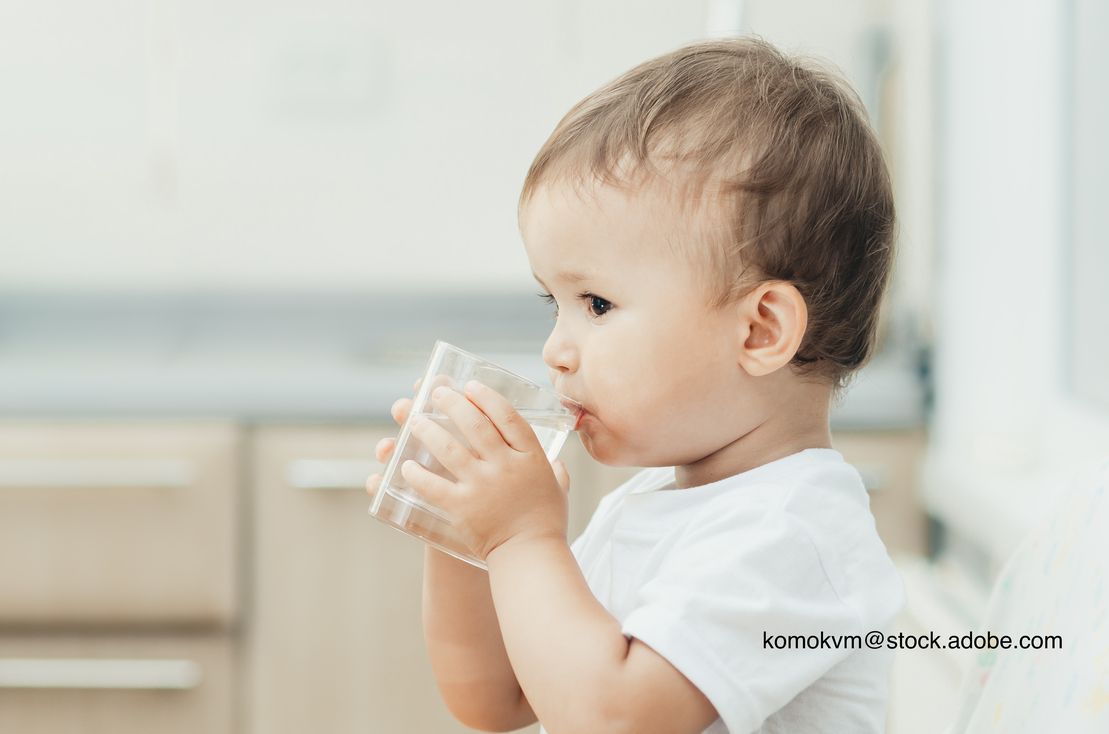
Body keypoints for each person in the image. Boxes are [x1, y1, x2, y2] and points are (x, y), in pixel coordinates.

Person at [367, 36, 904, 734]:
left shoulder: (791, 530)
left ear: (760, 331)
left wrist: (521, 538)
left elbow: (615, 720)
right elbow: (497, 699)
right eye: (551, 304)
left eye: (595, 305)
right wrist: (468, 537)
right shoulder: (654, 505)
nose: (555, 350)